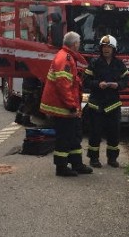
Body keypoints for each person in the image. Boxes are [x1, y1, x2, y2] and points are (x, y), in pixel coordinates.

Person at [40, 31, 93, 177]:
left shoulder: (66, 57)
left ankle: (77, 163)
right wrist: (71, 105)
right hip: (63, 107)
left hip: (66, 105)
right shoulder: (65, 58)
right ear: (75, 44)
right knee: (65, 137)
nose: (80, 45)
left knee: (75, 135)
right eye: (79, 43)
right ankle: (61, 167)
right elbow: (63, 85)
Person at [83, 35, 129, 168]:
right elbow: (85, 81)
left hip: (113, 104)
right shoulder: (94, 63)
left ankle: (112, 158)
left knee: (114, 133)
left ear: (114, 49)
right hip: (96, 104)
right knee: (95, 133)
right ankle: (93, 159)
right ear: (100, 48)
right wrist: (98, 84)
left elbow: (126, 81)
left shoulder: (119, 64)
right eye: (104, 46)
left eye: (109, 47)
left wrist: (118, 85)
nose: (106, 49)